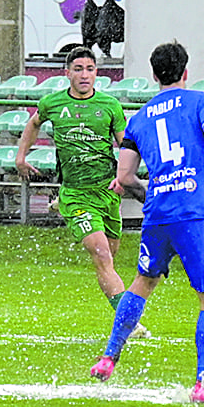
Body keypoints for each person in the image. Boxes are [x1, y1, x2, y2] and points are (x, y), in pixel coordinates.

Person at [90, 40, 204, 403]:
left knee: (142, 283)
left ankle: (108, 357)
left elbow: (126, 176)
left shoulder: (139, 119)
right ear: (185, 71)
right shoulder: (201, 101)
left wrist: (158, 192)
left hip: (158, 214)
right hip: (193, 212)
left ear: (153, 75)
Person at [14, 43, 138, 309]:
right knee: (102, 254)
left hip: (106, 193)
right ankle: (128, 320)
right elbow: (34, 122)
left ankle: (119, 307)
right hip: (76, 193)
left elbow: (125, 144)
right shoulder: (53, 103)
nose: (84, 75)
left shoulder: (109, 105)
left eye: (90, 69)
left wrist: (123, 175)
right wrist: (21, 157)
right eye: (78, 69)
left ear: (96, 74)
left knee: (110, 256)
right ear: (67, 72)